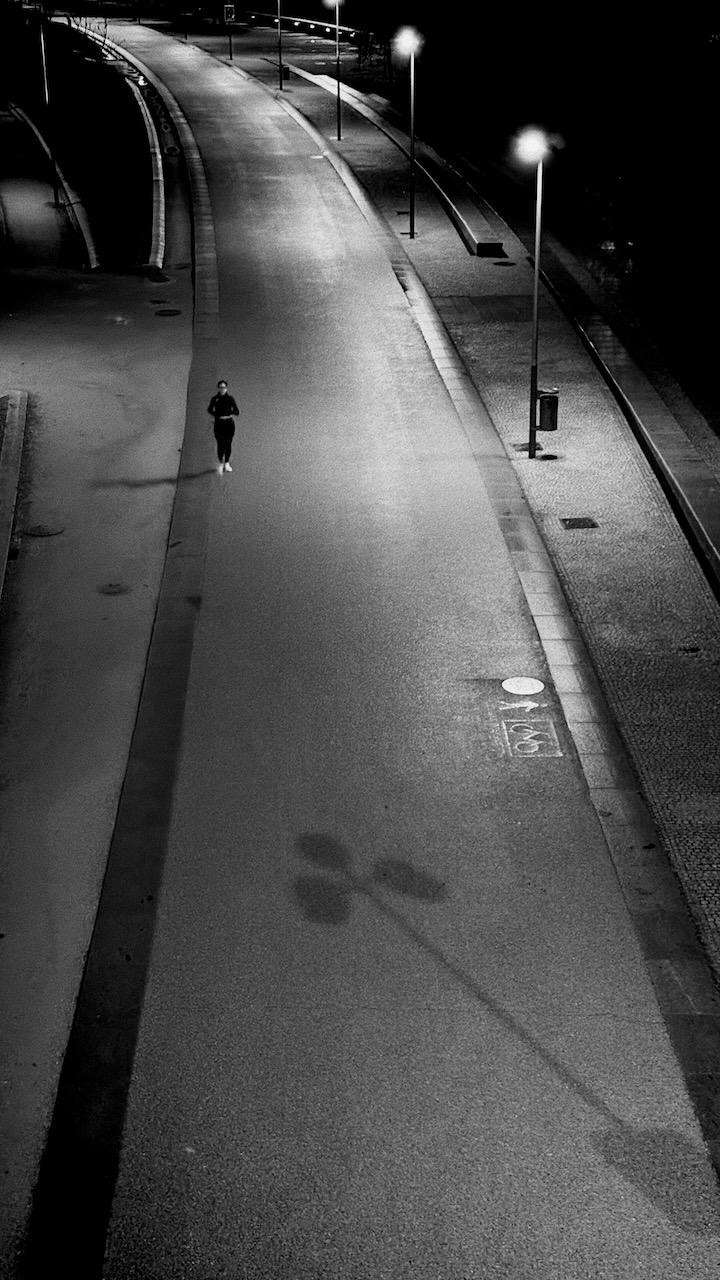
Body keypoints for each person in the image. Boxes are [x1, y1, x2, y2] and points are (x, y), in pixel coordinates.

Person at [207, 380, 239, 473]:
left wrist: (229, 413)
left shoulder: (230, 399)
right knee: (220, 444)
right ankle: (220, 462)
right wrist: (217, 414)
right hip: (219, 423)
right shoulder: (215, 399)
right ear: (218, 388)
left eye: (224, 388)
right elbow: (209, 409)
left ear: (226, 388)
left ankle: (227, 463)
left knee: (228, 444)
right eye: (220, 388)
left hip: (229, 423)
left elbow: (237, 411)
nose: (222, 389)